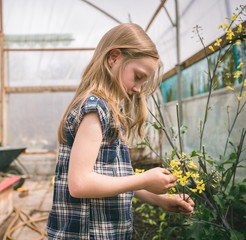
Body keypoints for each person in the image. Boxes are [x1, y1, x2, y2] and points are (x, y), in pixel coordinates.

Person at [47, 23, 194, 239]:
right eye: (138, 76)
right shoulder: (96, 110)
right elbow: (79, 184)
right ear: (113, 58)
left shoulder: (110, 110)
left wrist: (160, 199)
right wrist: (144, 179)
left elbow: (114, 178)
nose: (138, 88)